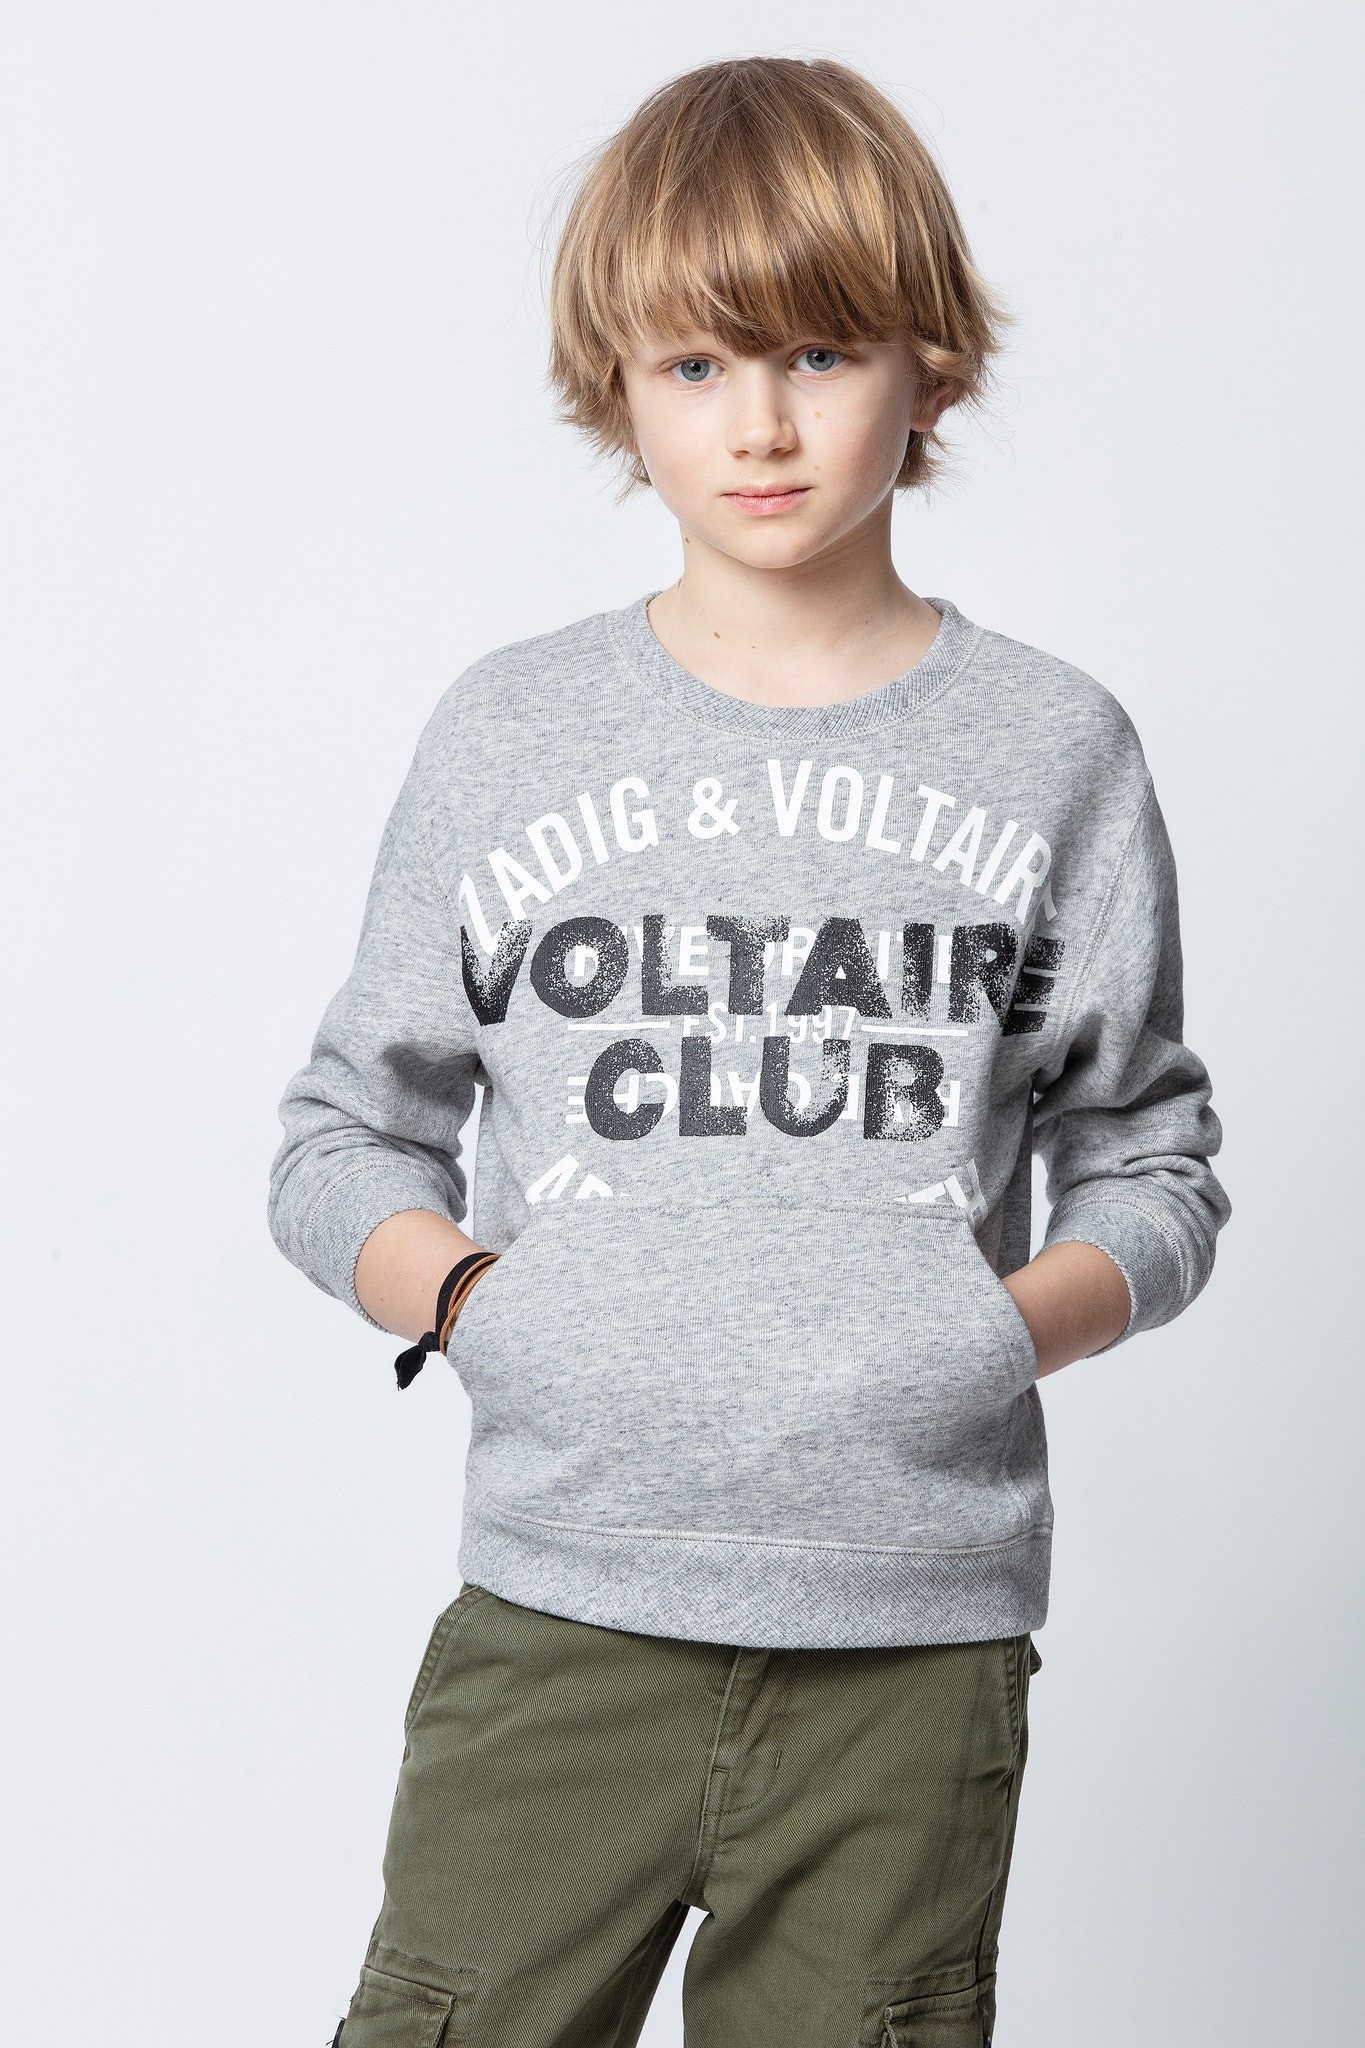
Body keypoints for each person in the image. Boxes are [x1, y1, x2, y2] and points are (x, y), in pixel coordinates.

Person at [268, 53, 1230, 2048]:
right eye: (696, 363)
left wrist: (985, 1333)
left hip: (912, 1636)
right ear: (616, 384)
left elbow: (1147, 1159)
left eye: (817, 351)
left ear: (928, 369)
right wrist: (481, 1303)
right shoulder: (511, 732)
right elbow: (344, 1135)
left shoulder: (1052, 749)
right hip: (562, 1613)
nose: (762, 423)